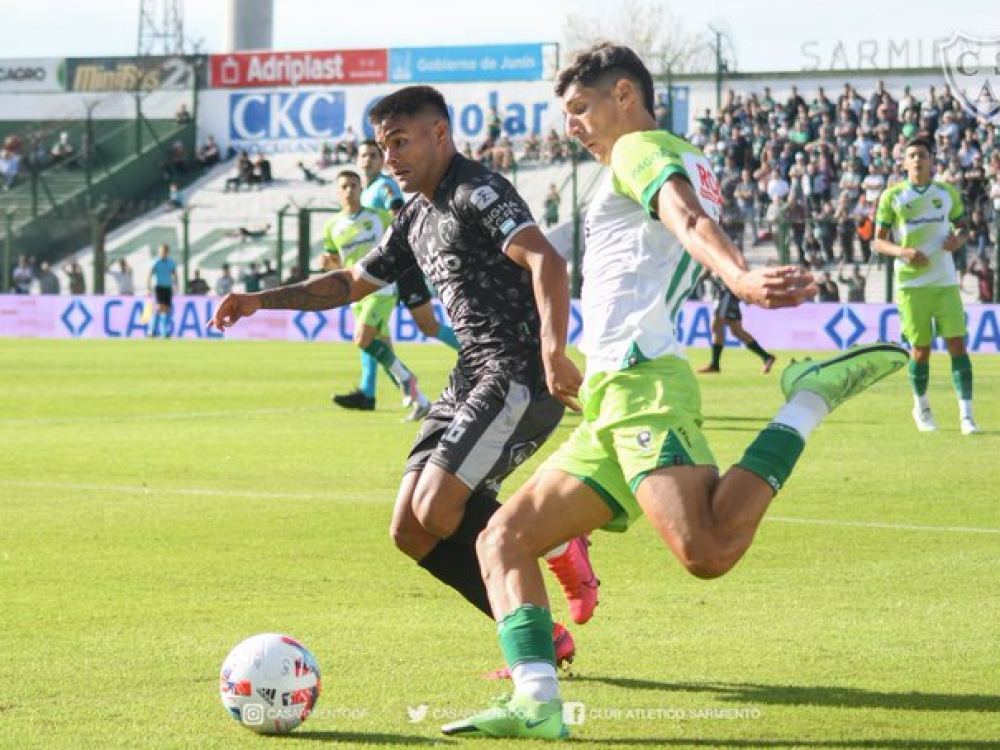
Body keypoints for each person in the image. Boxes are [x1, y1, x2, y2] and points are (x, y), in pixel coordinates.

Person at [443, 43, 909, 740]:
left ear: (624, 94)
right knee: (502, 538)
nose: (570, 125)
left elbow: (688, 220)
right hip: (610, 394)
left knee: (708, 549)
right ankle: (536, 705)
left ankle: (808, 397)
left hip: (642, 385)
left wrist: (741, 280)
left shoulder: (639, 149)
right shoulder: (650, 159)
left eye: (580, 108)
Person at [208, 85, 599, 678]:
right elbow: (347, 284)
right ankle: (545, 628)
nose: (388, 157)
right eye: (380, 145)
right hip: (470, 372)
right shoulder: (413, 213)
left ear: (439, 134)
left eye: (398, 141)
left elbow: (547, 259)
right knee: (411, 531)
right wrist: (259, 299)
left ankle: (550, 543)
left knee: (441, 509)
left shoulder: (478, 191)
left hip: (518, 370)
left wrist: (552, 349)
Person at [874, 134, 979, 435]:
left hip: (945, 281)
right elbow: (878, 242)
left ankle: (967, 416)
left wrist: (958, 240)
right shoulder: (892, 197)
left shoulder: (947, 193)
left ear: (932, 160)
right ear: (905, 162)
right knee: (921, 350)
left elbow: (964, 227)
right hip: (911, 284)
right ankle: (921, 407)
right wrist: (903, 252)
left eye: (923, 154)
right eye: (913, 155)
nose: (918, 159)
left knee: (957, 344)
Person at [350, 138, 462, 420]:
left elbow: (397, 210)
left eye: (373, 156)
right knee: (375, 335)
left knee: (426, 327)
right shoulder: (363, 194)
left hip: (399, 267)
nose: (368, 160)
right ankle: (371, 391)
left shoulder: (383, 187)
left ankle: (479, 355)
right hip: (383, 271)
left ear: (381, 160)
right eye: (363, 156)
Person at [323, 169, 432, 419]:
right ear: (338, 192)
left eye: (354, 185)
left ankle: (408, 379)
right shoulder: (332, 226)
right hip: (355, 294)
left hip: (381, 288)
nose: (350, 190)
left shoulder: (379, 217)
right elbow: (339, 263)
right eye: (345, 186)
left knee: (362, 338)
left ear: (362, 190)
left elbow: (402, 240)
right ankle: (421, 401)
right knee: (384, 351)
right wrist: (330, 266)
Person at [697, 274, 777, 374]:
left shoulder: (722, 259)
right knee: (736, 331)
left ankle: (715, 364)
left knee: (716, 327)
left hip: (726, 295)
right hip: (726, 295)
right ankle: (766, 357)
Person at [147, 244, 178, 338]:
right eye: (161, 251)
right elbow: (150, 273)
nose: (162, 253)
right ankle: (152, 331)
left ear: (167, 252)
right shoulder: (156, 262)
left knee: (167, 310)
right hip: (159, 287)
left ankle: (163, 332)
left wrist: (176, 284)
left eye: (164, 251)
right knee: (159, 308)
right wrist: (148, 285)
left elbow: (174, 274)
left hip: (167, 287)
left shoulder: (170, 262)